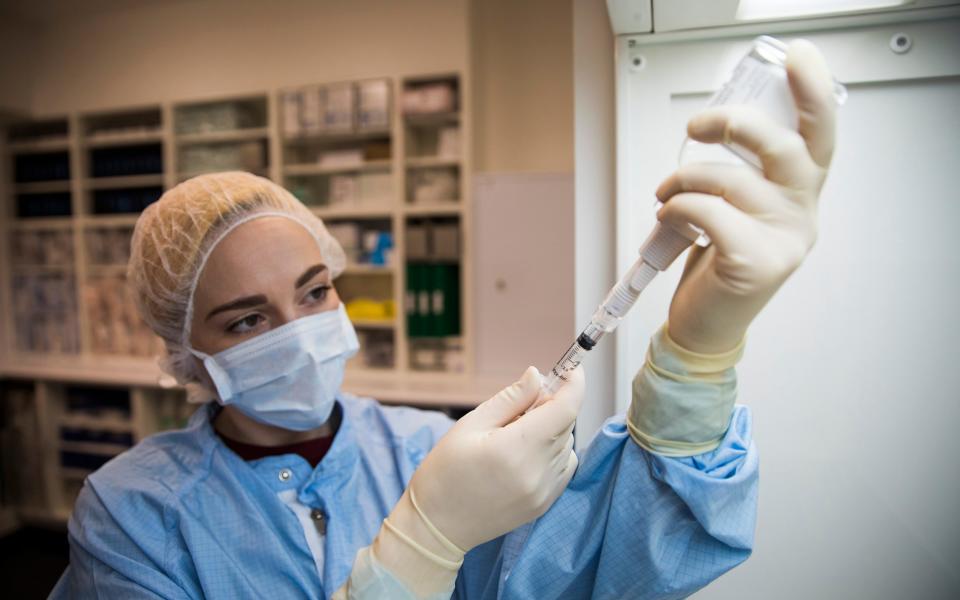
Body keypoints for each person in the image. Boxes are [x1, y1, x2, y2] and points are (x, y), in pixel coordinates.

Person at [50, 40, 837, 599]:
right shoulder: (133, 514)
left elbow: (624, 560)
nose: (298, 329)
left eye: (315, 291)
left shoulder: (429, 451)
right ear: (187, 351)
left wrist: (696, 352)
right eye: (248, 321)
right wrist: (424, 544)